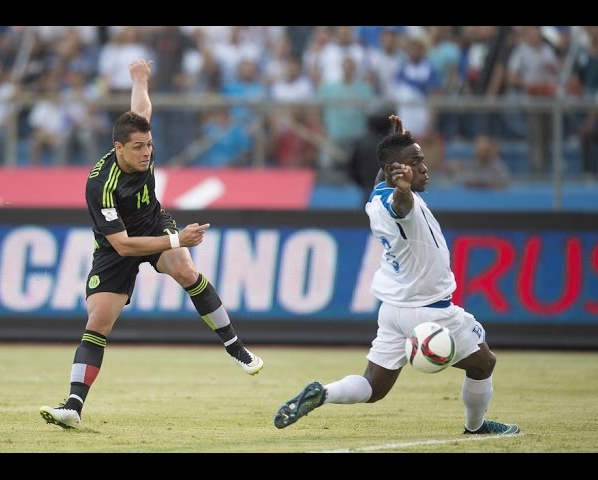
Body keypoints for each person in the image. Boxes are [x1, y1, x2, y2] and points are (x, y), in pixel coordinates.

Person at [39, 59, 263, 429]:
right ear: (118, 148)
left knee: (185, 267)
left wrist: (140, 77)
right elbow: (124, 246)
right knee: (98, 321)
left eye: (149, 145)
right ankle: (73, 408)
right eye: (139, 147)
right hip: (117, 246)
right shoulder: (100, 185)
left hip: (154, 223)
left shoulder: (140, 142)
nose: (147, 153)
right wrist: (178, 238)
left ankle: (235, 347)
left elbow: (142, 108)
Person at [273, 114, 519, 436]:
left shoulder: (375, 196)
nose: (424, 168)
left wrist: (397, 143)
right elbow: (400, 208)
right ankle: (476, 428)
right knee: (484, 363)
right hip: (430, 309)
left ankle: (324, 392)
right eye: (415, 163)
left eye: (421, 161)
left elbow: (384, 181)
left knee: (374, 387)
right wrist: (403, 189)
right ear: (397, 172)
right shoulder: (399, 202)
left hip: (393, 310)